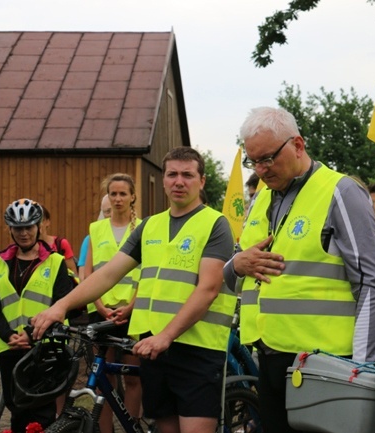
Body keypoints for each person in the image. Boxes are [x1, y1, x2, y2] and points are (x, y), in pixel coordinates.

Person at [32, 147, 237, 433]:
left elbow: (209, 289)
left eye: (188, 175)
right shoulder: (150, 226)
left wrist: (166, 336)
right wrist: (61, 307)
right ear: (163, 180)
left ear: (201, 181)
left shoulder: (215, 224)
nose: (179, 181)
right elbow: (107, 274)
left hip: (196, 349)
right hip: (153, 347)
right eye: (172, 174)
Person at [224, 107, 375, 433]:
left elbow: (371, 282)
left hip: (324, 364)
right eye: (252, 161)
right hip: (269, 357)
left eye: (268, 158)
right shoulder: (261, 197)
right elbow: (233, 274)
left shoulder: (341, 192)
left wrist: (362, 367)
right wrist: (236, 265)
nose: (261, 169)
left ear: (297, 145)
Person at [0, 199, 76, 432]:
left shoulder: (56, 262)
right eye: (18, 228)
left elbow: (63, 304)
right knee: (16, 408)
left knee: (41, 414)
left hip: (44, 347)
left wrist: (31, 335)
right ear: (9, 229)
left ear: (39, 227)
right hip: (8, 346)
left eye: (29, 227)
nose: (24, 233)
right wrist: (9, 334)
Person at [84, 174, 142, 433]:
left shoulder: (143, 227)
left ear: (132, 197)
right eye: (113, 194)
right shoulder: (96, 229)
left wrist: (130, 306)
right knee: (103, 378)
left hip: (133, 311)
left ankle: (131, 426)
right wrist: (98, 305)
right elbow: (89, 272)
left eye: (122, 194)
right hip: (102, 311)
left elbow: (148, 273)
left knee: (132, 376)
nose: (117, 199)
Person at [77, 194, 111, 281]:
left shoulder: (135, 232)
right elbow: (83, 276)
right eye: (107, 211)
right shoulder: (90, 239)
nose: (112, 214)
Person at [40, 205, 79, 275]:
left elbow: (73, 273)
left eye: (40, 220)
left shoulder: (60, 244)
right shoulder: (25, 247)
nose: (38, 224)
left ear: (47, 222)